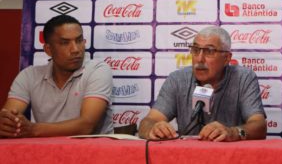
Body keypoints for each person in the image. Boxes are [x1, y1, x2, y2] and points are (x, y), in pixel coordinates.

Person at [139, 26, 267, 141]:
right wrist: (153, 128)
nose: (199, 59)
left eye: (209, 51)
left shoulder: (243, 78)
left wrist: (233, 132)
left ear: (227, 58)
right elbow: (148, 121)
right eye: (195, 50)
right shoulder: (177, 79)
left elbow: (259, 126)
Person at [0, 15, 113, 138]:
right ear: (48, 49)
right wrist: (8, 123)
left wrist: (33, 129)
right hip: (45, 152)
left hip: (93, 152)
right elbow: (9, 116)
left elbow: (86, 125)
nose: (75, 49)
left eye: (79, 40)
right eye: (65, 43)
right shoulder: (29, 76)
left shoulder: (98, 70)